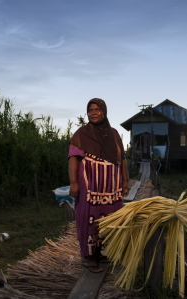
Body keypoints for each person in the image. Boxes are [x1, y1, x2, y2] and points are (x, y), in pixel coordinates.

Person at [68, 98, 129, 273]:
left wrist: (125, 181)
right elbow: (73, 158)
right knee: (89, 217)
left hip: (111, 185)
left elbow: (121, 159)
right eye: (90, 110)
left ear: (104, 111)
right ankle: (88, 256)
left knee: (109, 218)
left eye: (97, 109)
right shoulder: (81, 134)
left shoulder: (114, 134)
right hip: (90, 185)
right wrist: (73, 183)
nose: (93, 113)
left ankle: (99, 252)